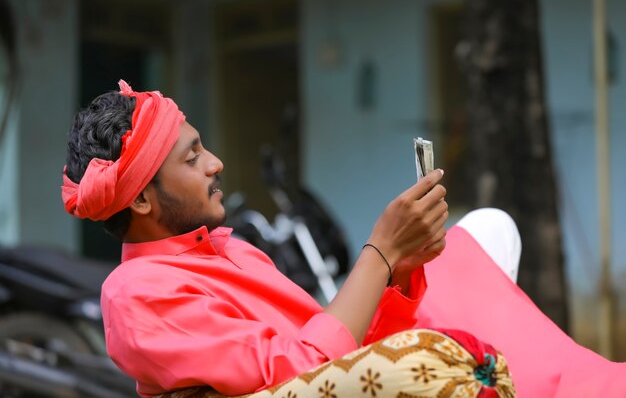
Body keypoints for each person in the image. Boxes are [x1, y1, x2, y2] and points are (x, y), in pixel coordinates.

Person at [61, 82, 621, 398]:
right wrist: (380, 252)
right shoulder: (137, 294)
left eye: (201, 146)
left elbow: (332, 342)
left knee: (483, 233)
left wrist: (401, 266)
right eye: (192, 156)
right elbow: (302, 372)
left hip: (364, 372)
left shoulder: (229, 248)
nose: (215, 163)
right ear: (140, 200)